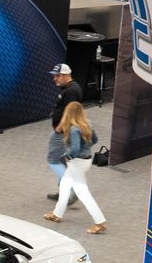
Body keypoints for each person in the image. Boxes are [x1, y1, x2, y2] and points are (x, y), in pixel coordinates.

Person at [45, 100, 107, 234]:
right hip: (85, 160)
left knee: (83, 193)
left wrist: (69, 156)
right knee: (65, 186)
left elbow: (74, 148)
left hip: (76, 163)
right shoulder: (87, 124)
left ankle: (100, 222)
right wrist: (86, 147)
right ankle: (57, 213)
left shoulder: (73, 129)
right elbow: (95, 140)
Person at [44, 63, 82, 200]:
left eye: (57, 76)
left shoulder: (71, 91)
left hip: (63, 132)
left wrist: (59, 128)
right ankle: (64, 192)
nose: (54, 79)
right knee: (63, 161)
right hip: (66, 131)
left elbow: (69, 112)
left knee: (53, 160)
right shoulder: (69, 88)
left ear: (66, 75)